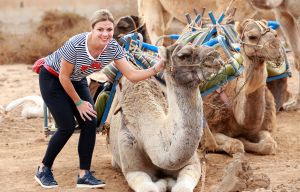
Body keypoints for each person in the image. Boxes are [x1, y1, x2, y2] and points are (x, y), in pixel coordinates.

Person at [34, 9, 164, 189]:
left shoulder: (113, 47)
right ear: (92, 29)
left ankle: (84, 175)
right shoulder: (77, 45)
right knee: (66, 126)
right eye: (100, 29)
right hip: (53, 78)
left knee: (90, 122)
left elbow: (132, 75)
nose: (105, 34)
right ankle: (43, 169)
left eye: (109, 30)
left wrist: (156, 68)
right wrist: (79, 103)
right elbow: (64, 77)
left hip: (77, 79)